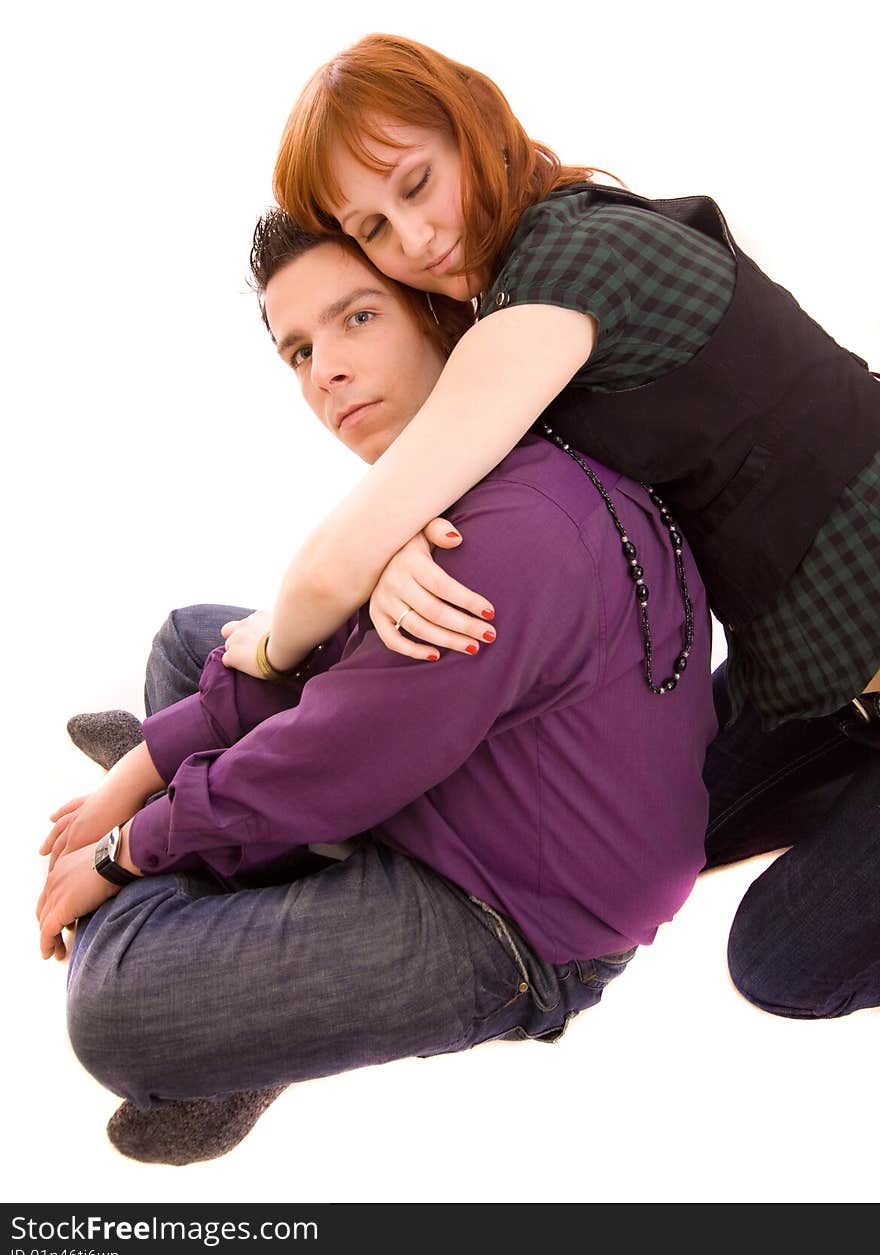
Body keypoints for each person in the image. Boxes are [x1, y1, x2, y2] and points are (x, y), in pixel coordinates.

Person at [213, 32, 880, 1021]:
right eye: (376, 229)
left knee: (783, 957)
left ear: (471, 125)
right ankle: (261, 1008)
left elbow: (354, 540)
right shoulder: (529, 302)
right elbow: (484, 479)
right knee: (646, 828)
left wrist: (266, 642)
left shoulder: (570, 268)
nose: (416, 237)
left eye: (415, 183)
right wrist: (402, 543)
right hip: (827, 686)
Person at [37, 211, 716, 1165]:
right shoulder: (483, 457)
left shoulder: (497, 538)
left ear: (436, 313)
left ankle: (232, 1016)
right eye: (300, 350)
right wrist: (151, 765)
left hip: (513, 917)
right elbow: (335, 674)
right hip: (466, 772)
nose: (326, 372)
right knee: (192, 639)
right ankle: (249, 903)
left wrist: (121, 849)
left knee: (113, 1015)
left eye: (358, 319)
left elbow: (334, 754)